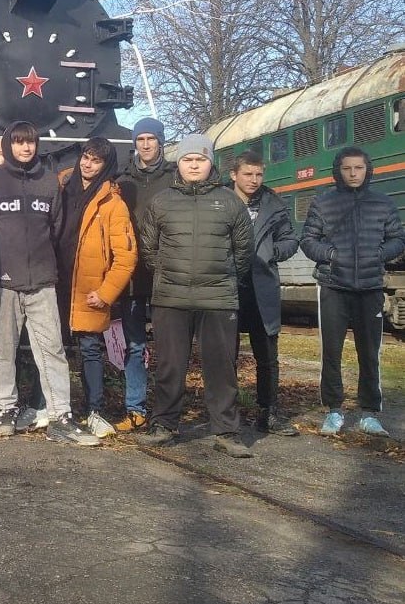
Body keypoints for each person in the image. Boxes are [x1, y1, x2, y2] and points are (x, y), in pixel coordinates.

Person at [0, 121, 99, 446]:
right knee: (4, 351)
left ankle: (61, 416)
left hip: (43, 281)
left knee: (52, 351)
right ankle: (5, 409)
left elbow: (56, 228)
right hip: (3, 283)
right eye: (19, 143)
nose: (25, 148)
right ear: (8, 146)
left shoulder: (48, 182)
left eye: (30, 143)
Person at [138, 134, 253, 457]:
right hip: (171, 298)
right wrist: (165, 274)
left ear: (210, 163)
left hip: (217, 300)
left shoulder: (230, 202)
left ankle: (227, 431)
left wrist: (223, 279)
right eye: (188, 160)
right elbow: (149, 248)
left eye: (200, 160)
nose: (193, 165)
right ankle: (164, 424)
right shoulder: (162, 202)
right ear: (180, 163)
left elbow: (243, 252)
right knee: (169, 367)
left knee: (221, 368)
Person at [301, 146, 404, 437]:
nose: (353, 173)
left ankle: (370, 413)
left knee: (370, 353)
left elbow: (398, 238)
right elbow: (308, 241)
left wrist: (379, 254)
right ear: (338, 170)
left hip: (370, 287)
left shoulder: (382, 203)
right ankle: (334, 410)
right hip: (333, 287)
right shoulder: (323, 203)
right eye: (347, 168)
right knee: (331, 353)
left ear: (367, 169)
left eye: (358, 168)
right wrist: (332, 254)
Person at [54, 137, 136, 438]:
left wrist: (106, 293)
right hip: (55, 283)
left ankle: (94, 410)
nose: (88, 164)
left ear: (106, 165)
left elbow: (126, 256)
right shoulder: (60, 189)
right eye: (85, 157)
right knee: (51, 349)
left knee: (89, 350)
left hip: (88, 290)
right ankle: (50, 408)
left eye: (96, 160)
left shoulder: (114, 204)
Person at [229, 150, 300, 436]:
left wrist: (273, 253)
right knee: (225, 355)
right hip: (228, 287)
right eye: (248, 174)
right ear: (234, 175)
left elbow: (291, 238)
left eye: (259, 174)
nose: (254, 180)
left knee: (267, 356)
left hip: (262, 288)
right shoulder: (220, 201)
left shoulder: (273, 203)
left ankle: (268, 413)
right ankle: (226, 414)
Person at [114, 117, 176, 431]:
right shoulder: (123, 179)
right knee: (135, 344)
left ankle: (166, 412)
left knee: (169, 346)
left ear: (160, 141)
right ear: (135, 143)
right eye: (141, 139)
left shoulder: (176, 176)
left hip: (167, 272)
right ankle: (135, 408)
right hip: (132, 273)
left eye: (152, 139)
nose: (147, 144)